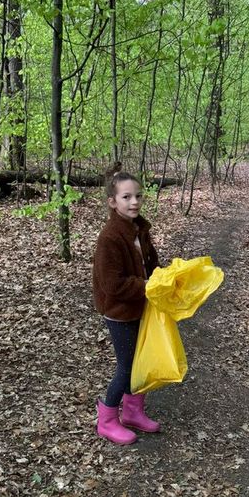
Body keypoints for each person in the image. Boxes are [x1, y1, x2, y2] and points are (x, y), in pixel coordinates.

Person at [92, 169, 161, 445]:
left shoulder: (139, 229)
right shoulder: (110, 237)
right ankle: (107, 419)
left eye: (138, 196)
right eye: (126, 197)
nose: (134, 202)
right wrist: (147, 286)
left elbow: (151, 264)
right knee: (128, 365)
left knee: (141, 361)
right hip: (119, 312)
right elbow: (112, 284)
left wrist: (164, 278)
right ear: (112, 201)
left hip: (141, 306)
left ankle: (132, 411)